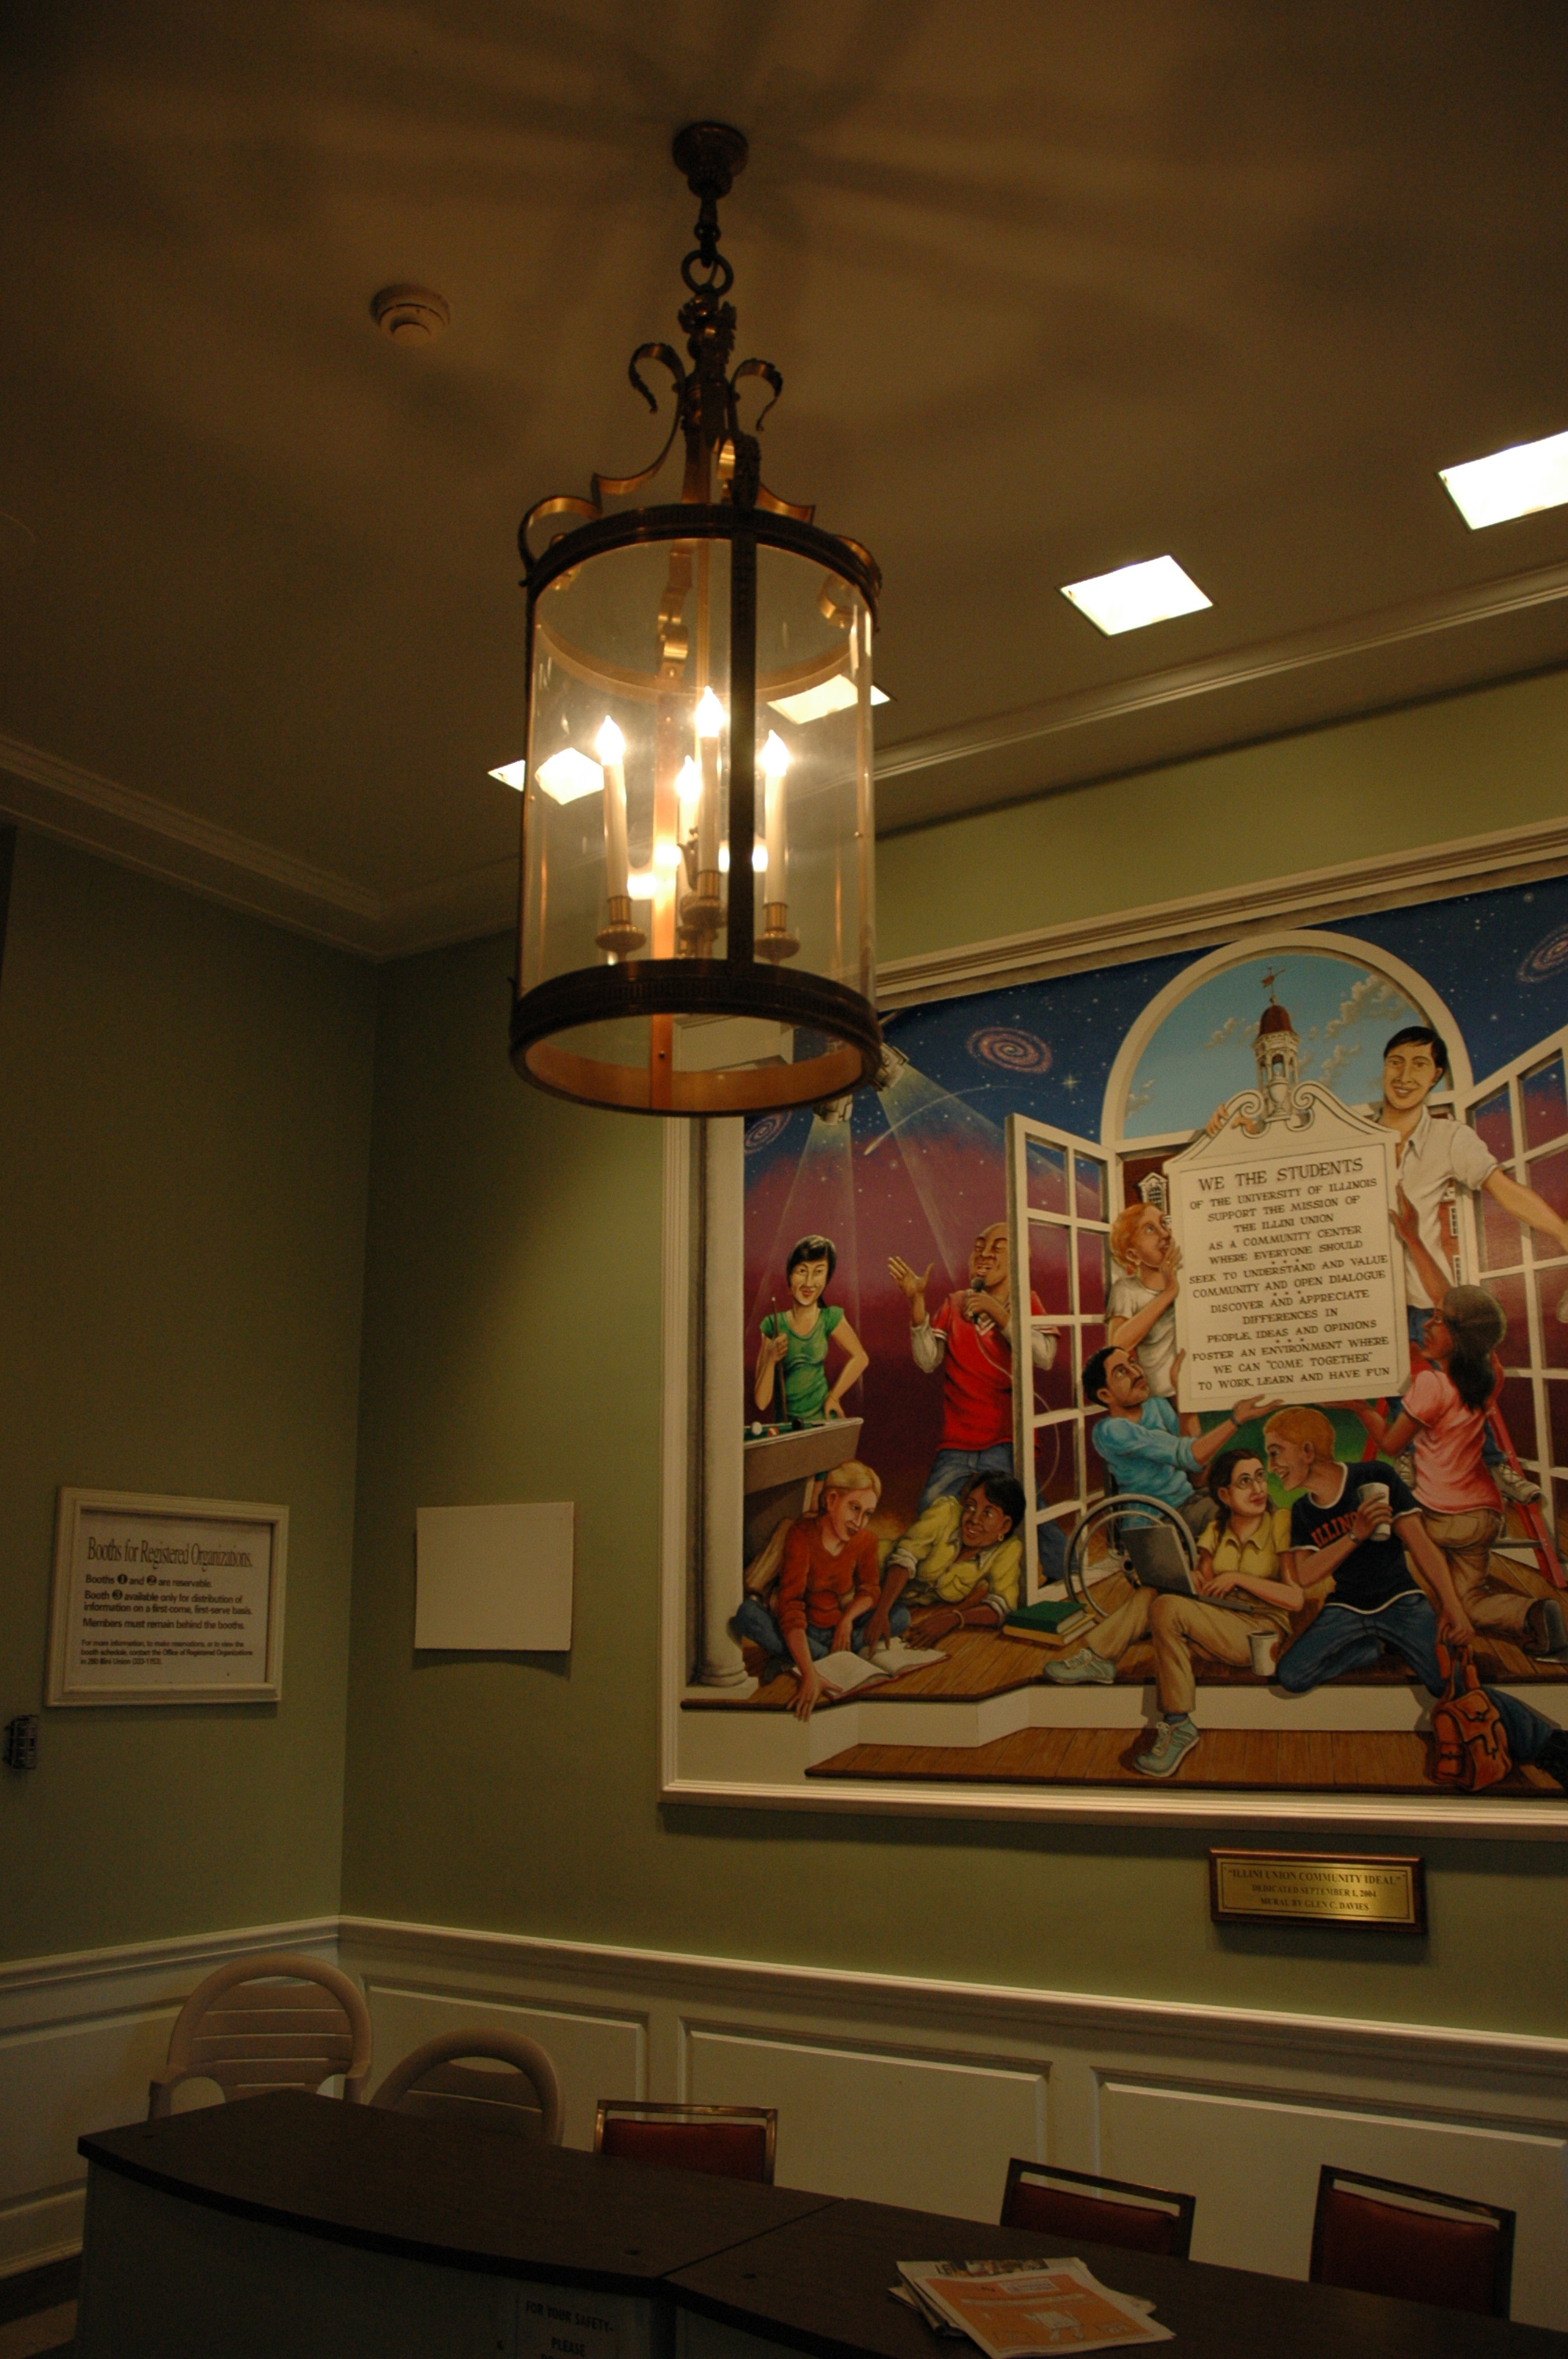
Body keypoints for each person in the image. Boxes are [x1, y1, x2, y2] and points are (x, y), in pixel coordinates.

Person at [1264, 1408, 1568, 1788]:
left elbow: (1422, 1545)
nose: (1271, 1466)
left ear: (1308, 1450)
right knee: (1292, 1675)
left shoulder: (1374, 1477)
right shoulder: (1303, 1510)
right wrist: (1356, 1534)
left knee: (1447, 1682)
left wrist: (1454, 1609)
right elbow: (1306, 1575)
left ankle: (1550, 1745)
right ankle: (1371, 1648)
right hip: (1346, 1608)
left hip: (1401, 1602)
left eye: (1276, 1452)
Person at [1368, 1024, 1568, 1503]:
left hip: (1424, 1295)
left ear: (1436, 1075)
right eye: (1396, 1062)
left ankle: (1494, 1465)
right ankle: (1407, 1460)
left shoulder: (1449, 1138)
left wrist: (1563, 1234)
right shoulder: (1354, 1134)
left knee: (1463, 1383)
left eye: (1419, 1065)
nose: (1405, 1075)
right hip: (1365, 1297)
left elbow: (1504, 1190)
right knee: (1394, 1383)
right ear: (1384, 1067)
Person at [1045, 1447, 1303, 1778]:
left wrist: (1239, 1578)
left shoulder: (1280, 1523)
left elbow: (1295, 1599)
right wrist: (1192, 1577)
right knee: (1152, 1592)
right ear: (1224, 1494)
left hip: (1258, 1631)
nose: (1257, 1489)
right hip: (1218, 1621)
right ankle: (1098, 1658)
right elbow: (1205, 1586)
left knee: (1167, 1607)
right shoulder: (1215, 1530)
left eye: (1259, 1478)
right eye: (1244, 1482)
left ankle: (1178, 1724)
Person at [1343, 1283, 1568, 1659]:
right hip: (1483, 1516)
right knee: (1469, 1600)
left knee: (1374, 1542)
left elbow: (1392, 1445)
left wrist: (1361, 1408)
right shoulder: (1490, 1375)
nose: (1426, 1325)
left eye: (1439, 1320)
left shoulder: (1430, 1384)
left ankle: (1396, 1626)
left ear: (1461, 1337)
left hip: (1439, 1516)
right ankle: (1532, 1614)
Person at [888, 1223, 1058, 1510]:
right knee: (931, 1508)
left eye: (998, 1249)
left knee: (1019, 1510)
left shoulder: (1026, 1302)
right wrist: (917, 1301)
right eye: (979, 1248)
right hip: (958, 1440)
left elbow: (1045, 1356)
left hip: (1005, 1438)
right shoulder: (955, 1303)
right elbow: (928, 1360)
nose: (985, 1255)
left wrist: (997, 1313)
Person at [731, 1459, 908, 1721]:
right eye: (855, 1508)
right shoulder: (801, 1534)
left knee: (900, 1616)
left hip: (839, 1629)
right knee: (747, 1615)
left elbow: (870, 1590)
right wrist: (810, 1676)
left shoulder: (865, 1540)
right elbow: (791, 1607)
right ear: (832, 1499)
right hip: (804, 1629)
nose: (860, 1522)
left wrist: (847, 1620)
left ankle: (804, 1658)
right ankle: (824, 1659)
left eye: (868, 1513)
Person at [1083, 1340, 1279, 1537]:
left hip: (1189, 1502)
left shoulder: (1157, 1406)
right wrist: (1237, 1419)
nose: (1136, 1373)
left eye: (1132, 1362)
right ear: (1105, 1395)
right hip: (1157, 1520)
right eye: (1121, 1372)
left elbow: (1196, 1469)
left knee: (1261, 1501)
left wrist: (1182, 1391)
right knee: (1236, 1515)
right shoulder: (1111, 1430)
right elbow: (1188, 1455)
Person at [865, 1472, 1028, 1651]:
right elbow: (905, 1557)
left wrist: (953, 1619)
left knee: (895, 1622)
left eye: (987, 1513)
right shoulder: (945, 1511)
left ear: (1005, 1525)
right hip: (866, 1572)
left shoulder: (1008, 1548)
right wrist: (882, 1611)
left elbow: (1002, 1606)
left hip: (893, 1604)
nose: (974, 1519)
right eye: (971, 1506)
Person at [754, 1234, 869, 1427]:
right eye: (802, 1271)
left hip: (822, 1424)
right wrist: (771, 1358)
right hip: (787, 1429)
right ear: (790, 1275)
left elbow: (861, 1358)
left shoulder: (829, 1317)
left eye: (818, 1272)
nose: (809, 1281)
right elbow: (761, 1402)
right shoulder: (773, 1324)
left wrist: (834, 1397)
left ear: (827, 1277)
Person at [1106, 1199, 1181, 1401]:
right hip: (1159, 1399)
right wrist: (1168, 1293)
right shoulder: (1126, 1289)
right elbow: (1118, 1344)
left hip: (1195, 1389)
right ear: (1133, 1255)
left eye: (1163, 1223)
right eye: (1150, 1229)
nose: (1165, 1233)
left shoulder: (1187, 1280)